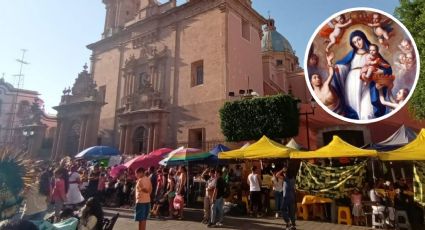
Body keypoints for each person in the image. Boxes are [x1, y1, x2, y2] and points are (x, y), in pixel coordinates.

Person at [331, 30, 392, 120]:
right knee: (354, 107)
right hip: (352, 83)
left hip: (368, 84)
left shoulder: (373, 53)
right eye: (354, 42)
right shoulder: (352, 54)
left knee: (367, 111)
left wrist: (381, 71)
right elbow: (343, 67)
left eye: (359, 39)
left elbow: (387, 68)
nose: (357, 43)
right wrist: (336, 67)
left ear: (363, 38)